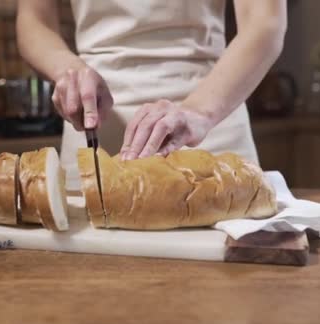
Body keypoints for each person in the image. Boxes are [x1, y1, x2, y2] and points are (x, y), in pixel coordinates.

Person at [17, 0, 287, 190]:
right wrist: (69, 71)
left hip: (211, 123)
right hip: (95, 141)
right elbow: (34, 20)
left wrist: (198, 112)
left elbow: (264, 22)